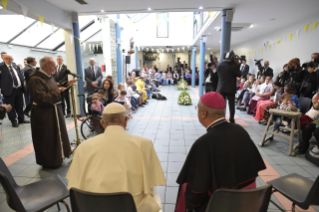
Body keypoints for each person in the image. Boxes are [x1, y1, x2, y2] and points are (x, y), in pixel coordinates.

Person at [175, 92, 266, 212]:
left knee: (185, 186)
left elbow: (196, 194)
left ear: (203, 113)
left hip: (221, 205)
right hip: (248, 203)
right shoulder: (240, 131)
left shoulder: (203, 143)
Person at [67, 103, 166, 212]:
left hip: (93, 207)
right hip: (133, 207)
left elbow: (74, 185)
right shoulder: (144, 144)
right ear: (126, 120)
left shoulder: (83, 147)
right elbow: (151, 181)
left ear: (102, 123)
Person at [28, 56, 75, 168]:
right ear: (45, 66)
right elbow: (41, 98)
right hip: (44, 114)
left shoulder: (48, 76)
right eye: (53, 65)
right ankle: (50, 161)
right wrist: (57, 92)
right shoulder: (35, 79)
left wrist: (65, 85)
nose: (55, 68)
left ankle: (59, 157)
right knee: (48, 137)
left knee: (56, 135)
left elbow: (52, 89)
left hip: (54, 111)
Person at [0, 54, 29, 127]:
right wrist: (3, 88)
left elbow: (19, 76)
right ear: (3, 59)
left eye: (10, 58)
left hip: (18, 89)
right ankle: (13, 121)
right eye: (7, 58)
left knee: (20, 105)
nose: (9, 60)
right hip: (8, 90)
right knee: (10, 106)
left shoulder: (15, 66)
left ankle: (21, 118)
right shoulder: (1, 67)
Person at [216, 51, 241, 123]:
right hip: (231, 88)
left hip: (221, 87)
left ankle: (221, 118)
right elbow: (239, 74)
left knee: (221, 104)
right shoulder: (233, 66)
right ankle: (231, 119)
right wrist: (238, 65)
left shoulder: (219, 65)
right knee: (231, 104)